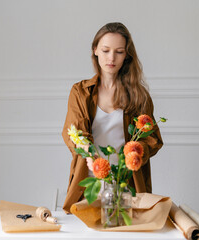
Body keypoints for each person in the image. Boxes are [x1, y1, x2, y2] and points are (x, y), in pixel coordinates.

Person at [62, 22, 163, 214]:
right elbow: (74, 132)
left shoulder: (138, 95)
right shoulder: (81, 92)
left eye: (119, 52)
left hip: (128, 186)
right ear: (95, 50)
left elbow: (152, 138)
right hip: (89, 185)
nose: (111, 58)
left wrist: (135, 153)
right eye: (106, 50)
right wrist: (91, 155)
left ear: (127, 55)